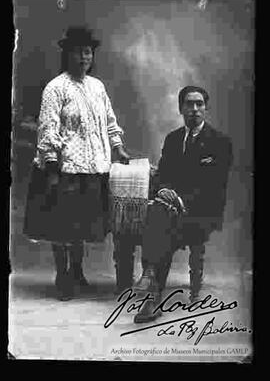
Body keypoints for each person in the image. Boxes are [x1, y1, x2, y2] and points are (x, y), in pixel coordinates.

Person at [23, 26, 130, 301]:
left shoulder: (97, 87)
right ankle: (63, 275)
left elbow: (109, 121)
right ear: (67, 54)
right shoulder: (56, 88)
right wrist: (51, 166)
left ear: (92, 56)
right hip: (64, 168)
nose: (83, 58)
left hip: (94, 168)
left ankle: (78, 271)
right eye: (77, 52)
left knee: (81, 224)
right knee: (62, 225)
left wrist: (117, 148)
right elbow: (48, 129)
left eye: (87, 52)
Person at [133, 86, 233, 323]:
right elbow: (163, 176)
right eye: (189, 104)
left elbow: (214, 187)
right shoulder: (173, 138)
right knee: (159, 213)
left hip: (201, 212)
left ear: (206, 108)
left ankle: (151, 282)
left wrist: (179, 200)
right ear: (181, 109)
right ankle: (152, 294)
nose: (195, 109)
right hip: (170, 211)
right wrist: (164, 191)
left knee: (159, 220)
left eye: (199, 104)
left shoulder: (220, 142)